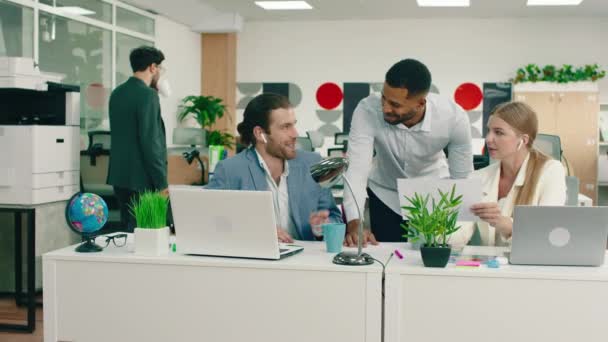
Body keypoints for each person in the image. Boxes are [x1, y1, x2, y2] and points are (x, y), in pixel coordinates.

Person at [343, 58, 473, 245]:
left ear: (420, 103)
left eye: (395, 105)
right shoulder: (367, 110)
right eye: (383, 98)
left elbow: (462, 179)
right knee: (386, 259)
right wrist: (355, 222)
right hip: (385, 194)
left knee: (429, 262)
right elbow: (356, 169)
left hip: (433, 196)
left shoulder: (453, 118)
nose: (385, 108)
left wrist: (461, 229)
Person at [207, 93, 342, 242]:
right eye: (285, 127)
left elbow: (334, 217)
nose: (295, 134)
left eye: (293, 124)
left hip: (304, 259)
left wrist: (322, 227)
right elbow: (207, 219)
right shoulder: (230, 170)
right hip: (255, 260)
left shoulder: (312, 164)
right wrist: (255, 230)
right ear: (260, 134)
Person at [447, 101, 566, 247]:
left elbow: (548, 234)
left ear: (523, 140)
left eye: (499, 132)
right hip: (491, 267)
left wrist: (505, 224)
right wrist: (440, 220)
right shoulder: (478, 177)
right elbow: (457, 237)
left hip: (530, 266)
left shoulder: (550, 170)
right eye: (489, 131)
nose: (488, 139)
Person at [107, 46, 168, 232]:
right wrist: (161, 182)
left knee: (128, 231)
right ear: (152, 67)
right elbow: (151, 142)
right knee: (147, 234)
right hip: (142, 179)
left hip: (120, 178)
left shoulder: (117, 93)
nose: (159, 72)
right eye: (159, 68)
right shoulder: (148, 95)